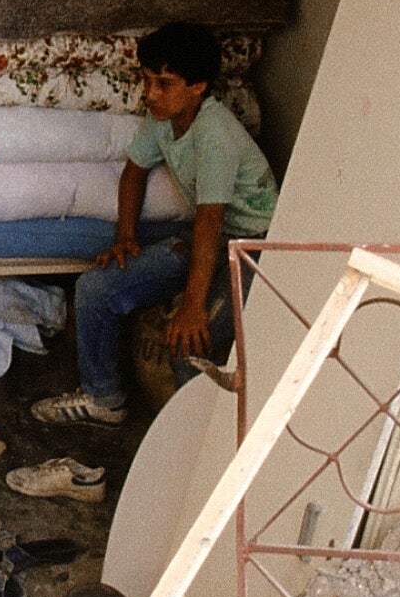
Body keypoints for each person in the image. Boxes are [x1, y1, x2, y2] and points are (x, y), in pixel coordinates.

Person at [31, 22, 276, 428]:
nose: (150, 94)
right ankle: (103, 397)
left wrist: (193, 306)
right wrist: (125, 237)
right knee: (96, 286)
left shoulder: (215, 134)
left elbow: (211, 220)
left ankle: (189, 449)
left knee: (189, 345)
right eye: (147, 81)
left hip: (254, 247)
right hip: (207, 238)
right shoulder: (163, 118)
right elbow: (134, 172)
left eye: (164, 83)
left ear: (197, 87)